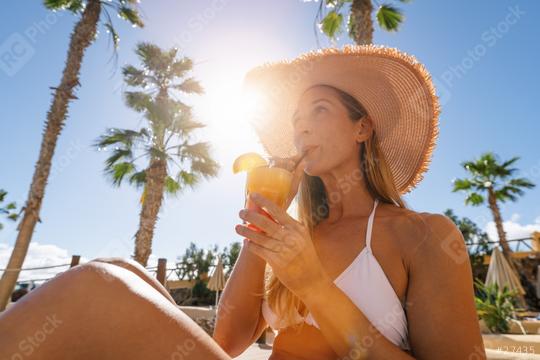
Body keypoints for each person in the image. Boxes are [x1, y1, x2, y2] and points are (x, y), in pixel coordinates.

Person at [0, 45, 486, 359]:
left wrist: (313, 285)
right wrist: (261, 224)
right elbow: (227, 343)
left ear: (363, 128)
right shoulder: (294, 237)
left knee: (97, 285)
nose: (301, 127)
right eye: (296, 118)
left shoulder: (423, 234)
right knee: (120, 268)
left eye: (319, 110)